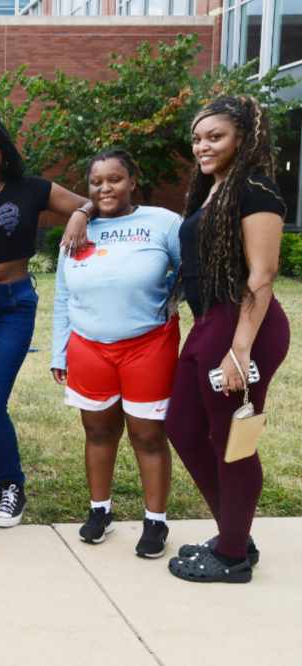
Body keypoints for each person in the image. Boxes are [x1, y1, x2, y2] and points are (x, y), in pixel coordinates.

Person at [166, 96, 289, 584]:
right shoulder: (211, 191)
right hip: (209, 323)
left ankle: (234, 554)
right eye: (197, 138)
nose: (202, 146)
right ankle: (234, 531)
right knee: (183, 426)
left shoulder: (255, 191)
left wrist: (240, 349)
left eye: (214, 136)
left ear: (244, 137)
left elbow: (262, 275)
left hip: (244, 329)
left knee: (232, 438)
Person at [0, 116, 93, 528]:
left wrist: (80, 214)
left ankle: (13, 485)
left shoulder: (33, 189)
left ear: (4, 149)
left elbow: (90, 202)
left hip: (14, 303)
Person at [50, 149, 181, 558]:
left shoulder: (163, 223)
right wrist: (59, 352)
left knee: (148, 435)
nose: (106, 187)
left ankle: (155, 521)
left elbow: (188, 271)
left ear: (133, 181)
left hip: (148, 345)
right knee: (98, 431)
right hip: (88, 346)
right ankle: (99, 511)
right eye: (97, 181)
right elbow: (62, 295)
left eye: (115, 179)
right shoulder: (77, 229)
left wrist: (171, 302)